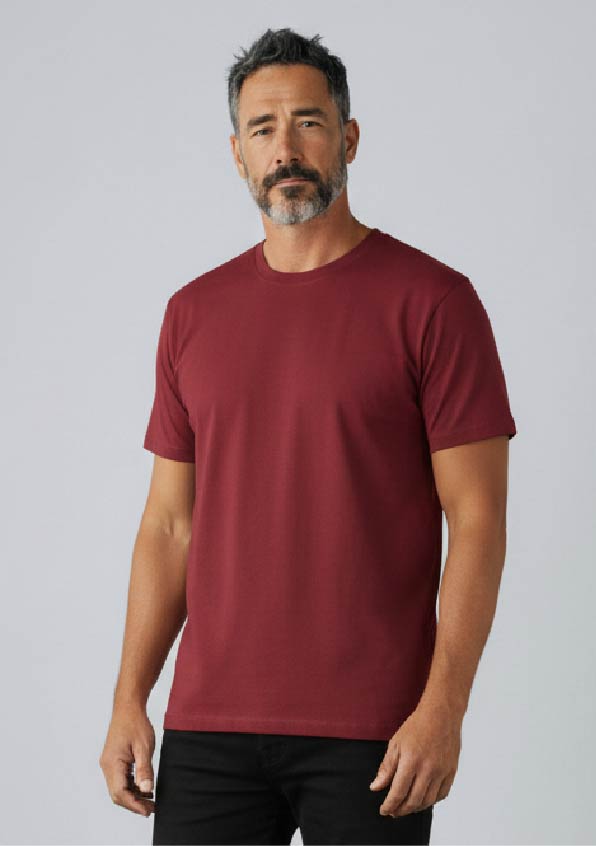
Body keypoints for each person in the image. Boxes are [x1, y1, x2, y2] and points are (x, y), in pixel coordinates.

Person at [99, 26, 517, 846]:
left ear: (348, 138)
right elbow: (169, 526)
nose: (285, 149)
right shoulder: (192, 313)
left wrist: (444, 708)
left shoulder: (434, 303)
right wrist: (128, 700)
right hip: (210, 724)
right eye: (263, 129)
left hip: (375, 731)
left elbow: (477, 520)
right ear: (238, 154)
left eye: (309, 123)